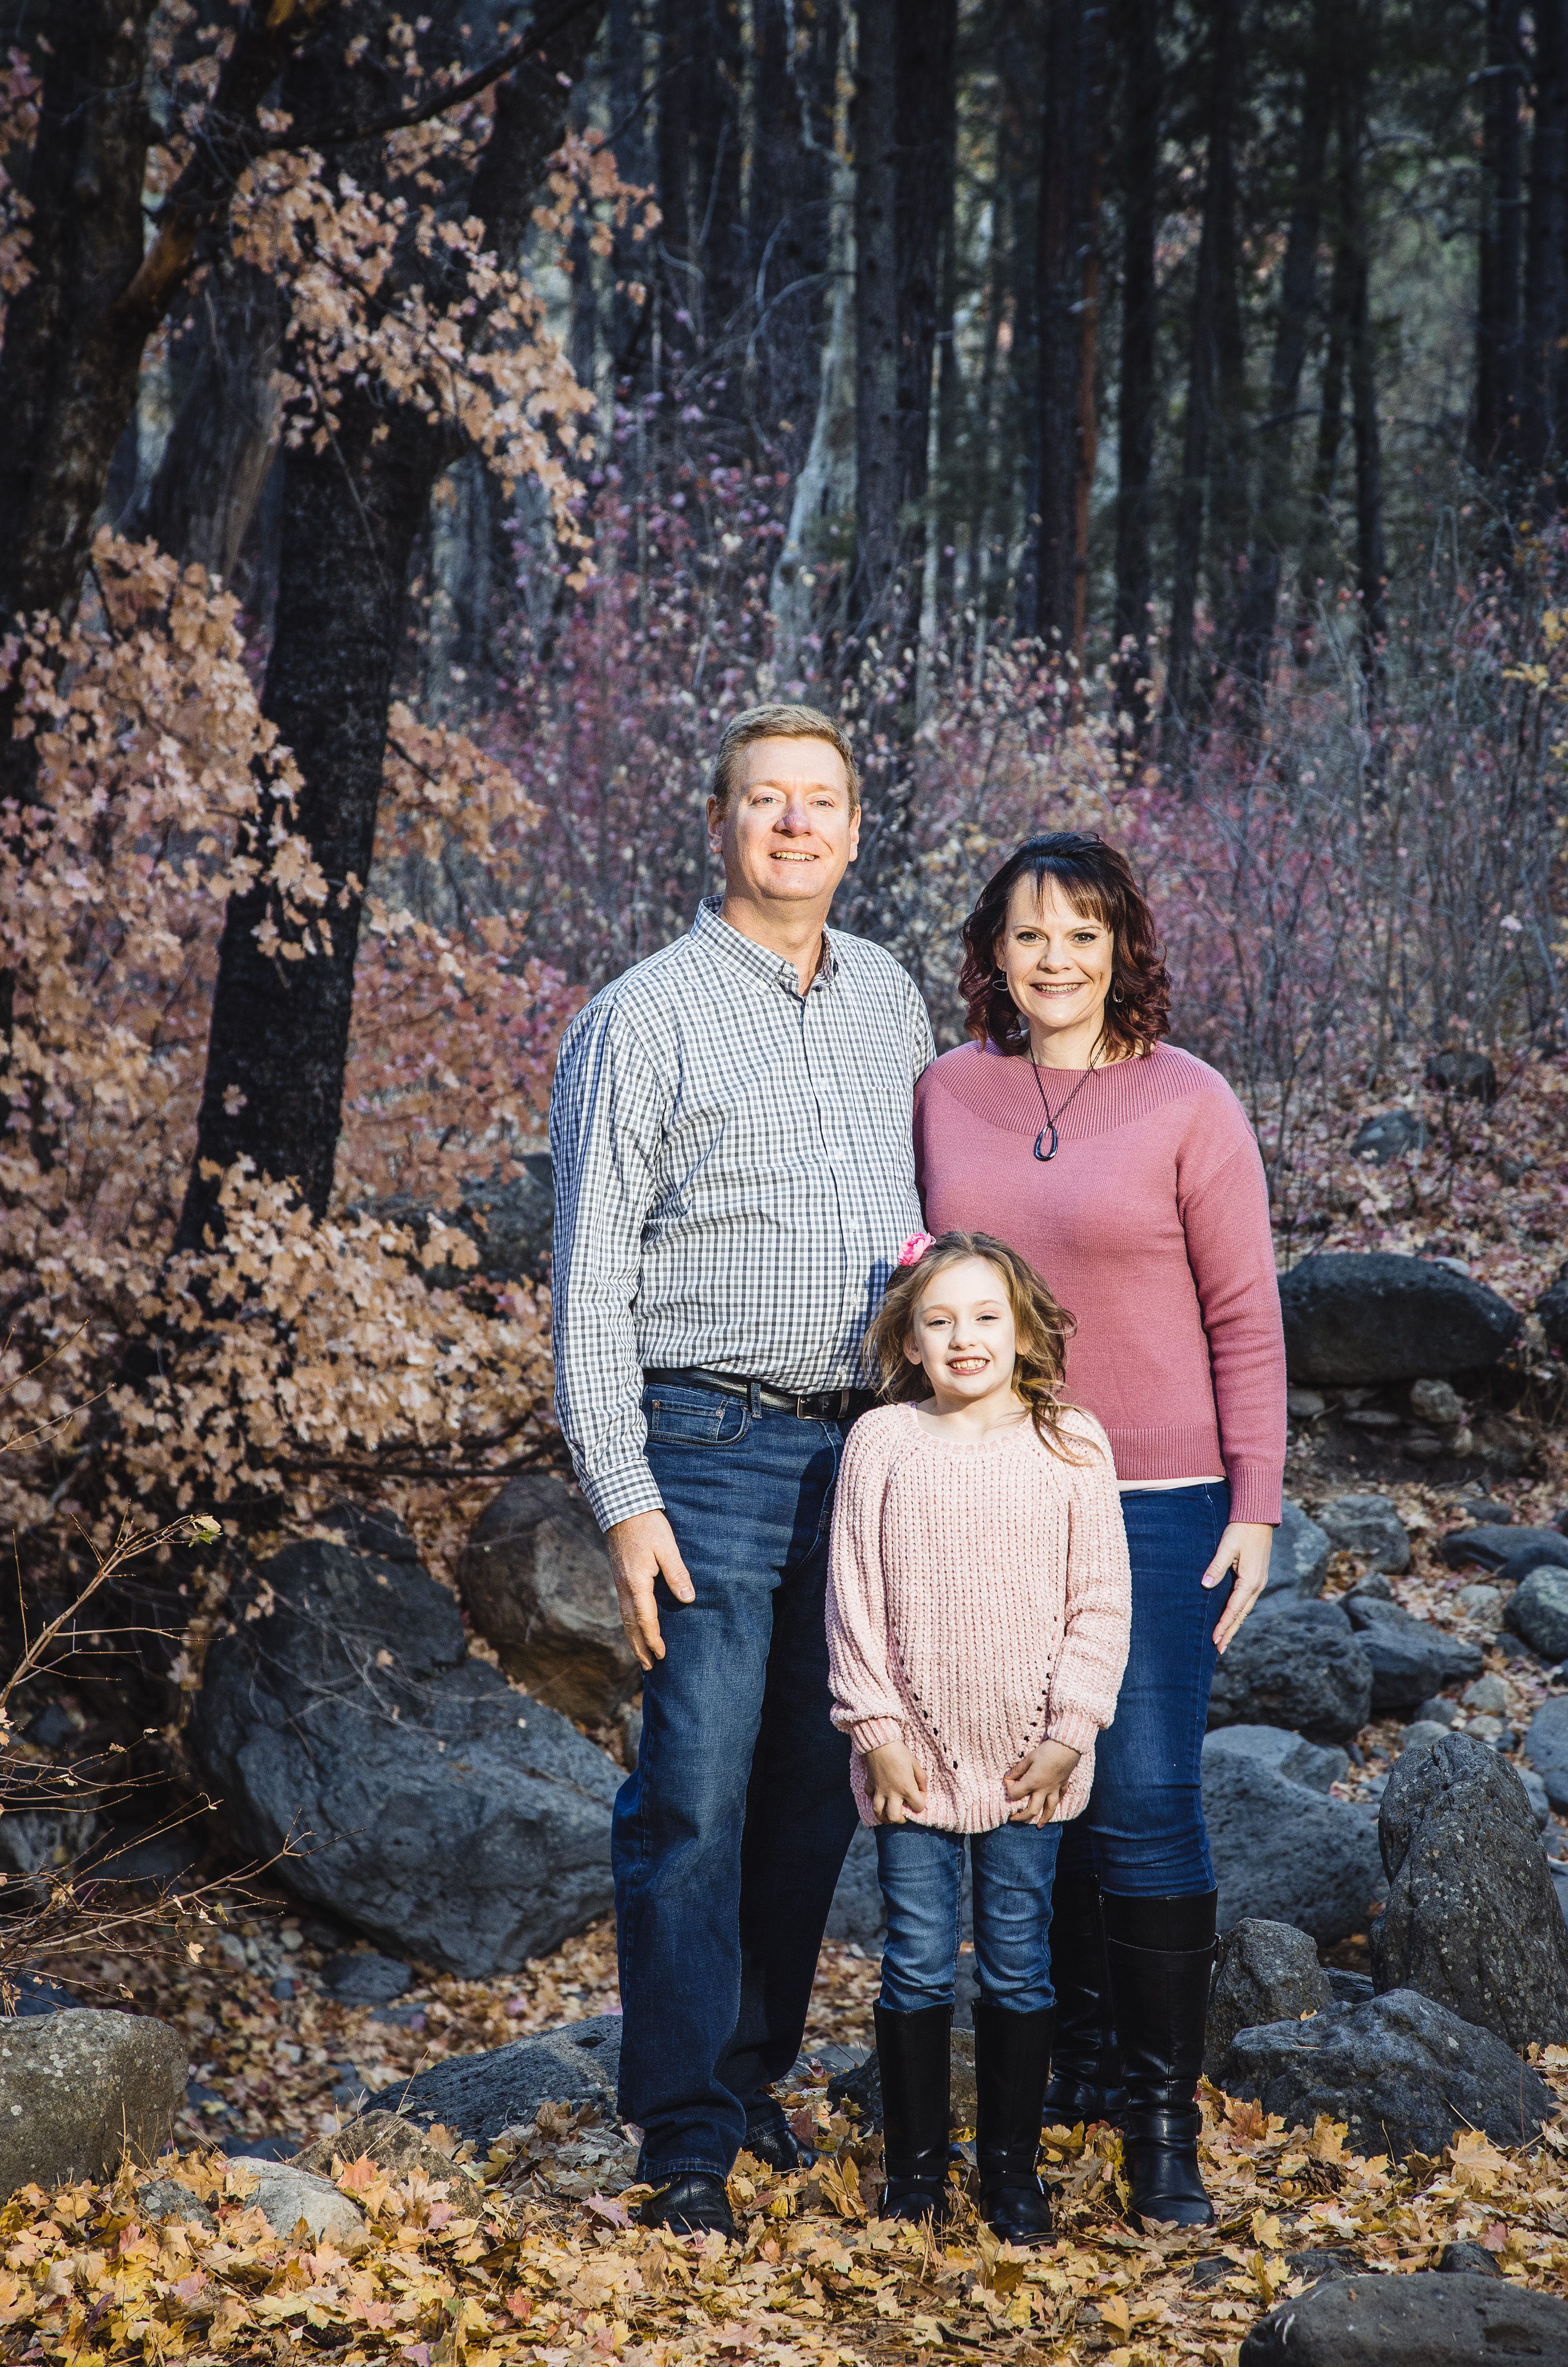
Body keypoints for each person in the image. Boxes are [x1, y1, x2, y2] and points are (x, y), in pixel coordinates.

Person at [549, 703, 935, 2237]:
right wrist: (624, 1499)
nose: (793, 825)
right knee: (694, 1794)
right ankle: (687, 2134)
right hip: (704, 1441)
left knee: (809, 1795)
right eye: (765, 800)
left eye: (820, 802)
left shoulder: (891, 999)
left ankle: (753, 2073)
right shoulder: (640, 1016)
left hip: (868, 1446)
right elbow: (586, 1280)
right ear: (718, 823)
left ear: (853, 829)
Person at [913, 831, 1287, 2230]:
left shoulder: (1192, 1103)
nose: (1055, 957)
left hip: (1157, 1497)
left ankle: (1160, 2126)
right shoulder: (948, 1092)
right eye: (1028, 933)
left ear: (1126, 941)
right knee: (1029, 1778)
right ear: (993, 954)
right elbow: (917, 1278)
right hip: (992, 1487)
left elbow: (1246, 1315)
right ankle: (1069, 2055)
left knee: (1140, 1796)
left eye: (1083, 930)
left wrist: (1256, 1500)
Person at [826, 1229, 1132, 2242]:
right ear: (909, 1341)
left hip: (1027, 1766)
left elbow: (1101, 1604)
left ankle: (1011, 2176)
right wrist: (875, 1728)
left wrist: (1071, 1732)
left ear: (1025, 1328)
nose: (965, 1338)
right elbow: (853, 1599)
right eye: (940, 1320)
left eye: (986, 1316)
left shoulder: (1072, 1443)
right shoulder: (882, 1443)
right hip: (909, 1756)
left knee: (1016, 1962)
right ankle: (916, 2176)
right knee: (915, 1959)